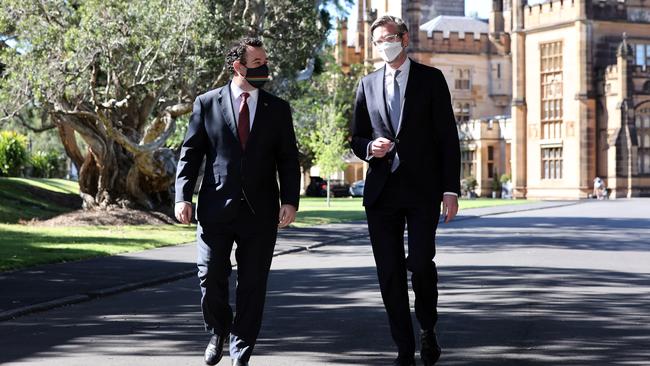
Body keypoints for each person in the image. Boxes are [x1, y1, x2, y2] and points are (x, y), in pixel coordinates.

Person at [174, 37, 300, 366]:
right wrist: (182, 196)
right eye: (258, 63)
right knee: (210, 274)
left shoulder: (278, 109)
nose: (265, 68)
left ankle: (240, 350)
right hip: (216, 208)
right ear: (238, 66)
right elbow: (190, 155)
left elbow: (288, 160)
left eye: (265, 61)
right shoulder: (207, 103)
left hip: (261, 212)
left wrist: (290, 200)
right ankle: (218, 328)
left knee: (253, 284)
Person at [350, 15, 461, 366]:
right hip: (382, 192)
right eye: (378, 41)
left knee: (420, 264)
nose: (385, 45)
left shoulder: (431, 79)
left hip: (422, 191)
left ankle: (427, 327)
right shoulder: (366, 84)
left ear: (404, 38)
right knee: (389, 272)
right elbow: (356, 138)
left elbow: (447, 138)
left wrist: (450, 190)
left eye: (389, 38)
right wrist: (370, 148)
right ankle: (404, 348)